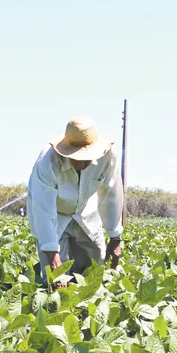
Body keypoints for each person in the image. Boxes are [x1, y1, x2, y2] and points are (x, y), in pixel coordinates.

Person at [27, 115, 124, 284]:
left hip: (86, 211)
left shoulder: (108, 155)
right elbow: (43, 208)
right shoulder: (48, 160)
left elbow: (111, 194)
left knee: (94, 272)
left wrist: (115, 236)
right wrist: (52, 253)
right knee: (55, 280)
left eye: (85, 157)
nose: (80, 163)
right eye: (75, 157)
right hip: (54, 216)